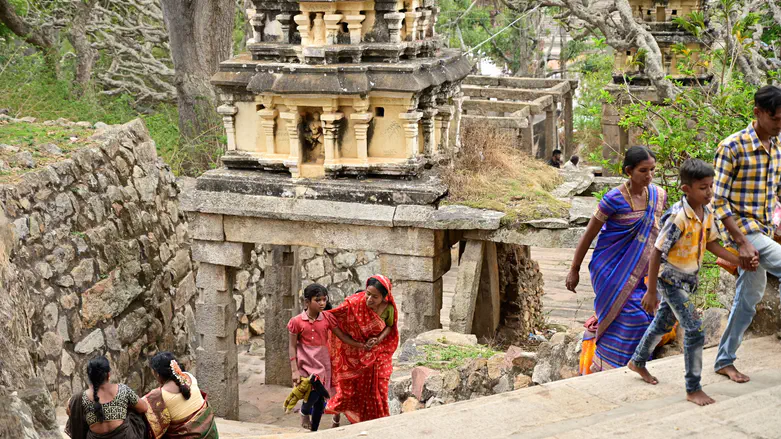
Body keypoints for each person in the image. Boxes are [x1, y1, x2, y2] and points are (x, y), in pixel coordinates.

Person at [628, 159, 750, 406]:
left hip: (686, 280)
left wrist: (738, 261)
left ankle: (638, 361)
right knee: (695, 330)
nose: (709, 192)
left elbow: (712, 243)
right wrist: (651, 290)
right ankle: (693, 388)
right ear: (686, 189)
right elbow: (656, 252)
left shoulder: (706, 213)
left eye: (711, 186)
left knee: (663, 322)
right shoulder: (678, 217)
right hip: (669, 279)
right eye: (703, 188)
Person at [567, 146, 673, 374]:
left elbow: (659, 237)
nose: (649, 175)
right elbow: (589, 234)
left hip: (644, 273)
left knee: (653, 314)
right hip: (610, 271)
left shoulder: (658, 196)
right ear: (629, 171)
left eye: (652, 170)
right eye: (643, 170)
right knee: (633, 317)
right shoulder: (613, 199)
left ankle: (637, 363)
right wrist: (574, 269)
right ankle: (609, 365)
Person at [713, 85, 781, 383]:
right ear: (757, 113)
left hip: (765, 231)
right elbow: (716, 200)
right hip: (742, 232)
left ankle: (724, 360)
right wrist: (741, 243)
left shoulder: (778, 148)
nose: (780, 125)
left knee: (747, 299)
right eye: (776, 119)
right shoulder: (732, 147)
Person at [288, 283, 364, 431]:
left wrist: (360, 345)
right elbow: (292, 346)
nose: (322, 303)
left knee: (320, 400)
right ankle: (304, 411)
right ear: (307, 302)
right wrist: (294, 370)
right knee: (315, 392)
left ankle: (314, 430)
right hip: (305, 363)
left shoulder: (328, 318)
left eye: (324, 299)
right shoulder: (296, 322)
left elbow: (341, 336)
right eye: (318, 300)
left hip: (323, 363)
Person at [325, 275, 399, 424]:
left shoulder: (389, 309)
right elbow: (333, 321)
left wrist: (378, 339)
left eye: (375, 297)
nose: (369, 299)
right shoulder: (354, 304)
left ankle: (378, 419)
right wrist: (360, 345)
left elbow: (390, 327)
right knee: (352, 388)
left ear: (385, 297)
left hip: (379, 351)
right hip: (356, 352)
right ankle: (347, 413)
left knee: (380, 385)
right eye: (368, 294)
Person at [65, 356, 148, 439]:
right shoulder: (123, 390)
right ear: (108, 375)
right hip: (124, 437)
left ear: (89, 376)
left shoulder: (80, 398)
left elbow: (70, 412)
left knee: (79, 413)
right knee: (134, 411)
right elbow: (144, 408)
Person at [142, 352, 219, 438]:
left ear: (157, 374)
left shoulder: (159, 395)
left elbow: (141, 407)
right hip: (210, 433)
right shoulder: (190, 377)